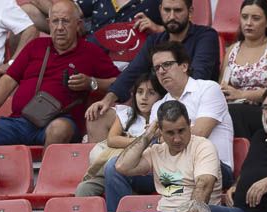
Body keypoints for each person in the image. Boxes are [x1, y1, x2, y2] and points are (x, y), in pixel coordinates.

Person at [0, 1, 118, 151]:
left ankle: (47, 178)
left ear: (78, 25)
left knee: (59, 128)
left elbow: (121, 83)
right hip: (20, 122)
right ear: (48, 24)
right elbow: (8, 79)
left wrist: (92, 82)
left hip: (58, 123)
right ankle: (5, 176)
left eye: (65, 21)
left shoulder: (91, 52)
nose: (59, 27)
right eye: (55, 21)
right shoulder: (35, 46)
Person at [106, 42, 235, 203]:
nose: (161, 71)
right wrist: (156, 138)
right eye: (157, 67)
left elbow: (199, 133)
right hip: (172, 171)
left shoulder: (208, 89)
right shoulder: (159, 105)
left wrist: (163, 135)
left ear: (184, 66)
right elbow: (155, 144)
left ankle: (175, 210)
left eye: (167, 64)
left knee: (172, 177)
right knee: (114, 167)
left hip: (211, 168)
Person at [83, 0, 221, 141]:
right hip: (153, 108)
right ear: (160, 9)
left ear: (190, 11)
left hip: (192, 108)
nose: (172, 16)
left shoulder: (206, 35)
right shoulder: (154, 41)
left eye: (178, 10)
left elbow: (199, 75)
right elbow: (132, 72)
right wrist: (108, 100)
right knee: (97, 116)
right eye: (167, 10)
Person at [97, 100, 222, 212]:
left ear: (189, 124)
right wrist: (148, 135)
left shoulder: (203, 146)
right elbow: (121, 166)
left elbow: (204, 186)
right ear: (160, 131)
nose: (177, 138)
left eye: (181, 130)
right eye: (170, 133)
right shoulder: (156, 151)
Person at [78, 74, 165, 197]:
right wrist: (142, 142)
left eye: (151, 93)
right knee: (84, 189)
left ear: (160, 97)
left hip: (147, 170)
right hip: (119, 165)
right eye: (139, 92)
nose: (144, 98)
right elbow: (112, 140)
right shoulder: (126, 114)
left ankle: (123, 210)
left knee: (115, 171)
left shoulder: (162, 118)